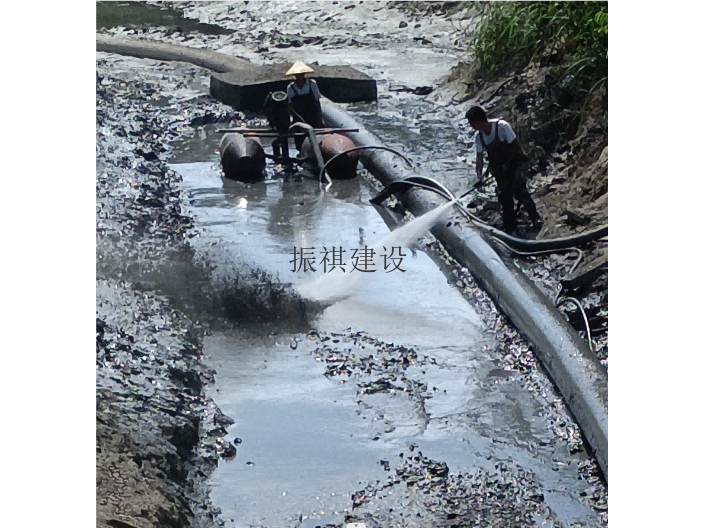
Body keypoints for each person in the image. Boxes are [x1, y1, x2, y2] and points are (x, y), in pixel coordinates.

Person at [465, 105, 542, 234]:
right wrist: (479, 177)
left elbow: (515, 147)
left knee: (518, 188)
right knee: (504, 195)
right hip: (499, 169)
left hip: (516, 163)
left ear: (479, 121)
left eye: (472, 123)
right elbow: (479, 158)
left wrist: (507, 165)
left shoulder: (502, 126)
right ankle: (510, 226)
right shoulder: (480, 137)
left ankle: (535, 217)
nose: (471, 126)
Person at [285, 61, 324, 153]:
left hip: (312, 115)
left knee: (315, 138)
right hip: (298, 116)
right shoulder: (291, 87)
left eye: (301, 74)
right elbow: (290, 105)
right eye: (297, 75)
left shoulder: (312, 84)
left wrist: (320, 118)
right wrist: (291, 119)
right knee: (299, 139)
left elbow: (317, 101)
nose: (299, 77)